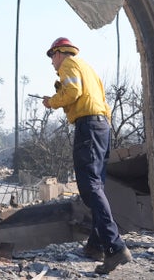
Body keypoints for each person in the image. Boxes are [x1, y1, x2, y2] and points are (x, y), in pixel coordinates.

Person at [42, 37, 132, 274]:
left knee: (89, 186)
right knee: (98, 186)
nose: (52, 63)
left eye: (52, 57)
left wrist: (52, 102)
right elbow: (94, 97)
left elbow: (73, 91)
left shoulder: (68, 65)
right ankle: (96, 246)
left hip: (88, 126)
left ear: (60, 53)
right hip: (102, 126)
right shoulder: (87, 68)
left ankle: (114, 246)